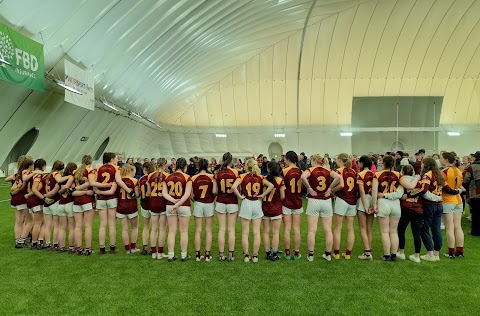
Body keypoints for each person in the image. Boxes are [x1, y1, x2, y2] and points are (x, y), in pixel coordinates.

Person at [232, 158, 274, 262]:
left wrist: (240, 196)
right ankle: (255, 256)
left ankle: (246, 255)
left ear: (247, 167)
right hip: (256, 203)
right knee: (256, 232)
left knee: (245, 233)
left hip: (246, 202)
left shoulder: (242, 176)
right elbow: (271, 186)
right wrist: (263, 195)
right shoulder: (260, 177)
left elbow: (233, 187)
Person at [301, 154, 341, 262]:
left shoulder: (311, 169)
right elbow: (338, 177)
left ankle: (310, 255)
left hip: (314, 200)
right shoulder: (328, 170)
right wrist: (330, 188)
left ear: (314, 160)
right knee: (328, 230)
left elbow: (302, 177)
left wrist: (309, 188)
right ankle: (328, 254)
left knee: (312, 230)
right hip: (326, 201)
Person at [96, 152, 133, 254]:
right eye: (116, 158)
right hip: (112, 197)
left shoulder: (99, 168)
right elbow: (119, 181)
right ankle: (112, 247)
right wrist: (129, 191)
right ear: (112, 158)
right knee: (112, 224)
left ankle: (102, 248)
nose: (117, 160)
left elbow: (95, 182)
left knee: (102, 224)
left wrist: (99, 190)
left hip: (101, 198)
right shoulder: (116, 168)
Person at [71, 155, 107, 256]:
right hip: (87, 199)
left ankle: (79, 248)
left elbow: (72, 189)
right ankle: (88, 248)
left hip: (77, 200)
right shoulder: (90, 171)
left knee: (78, 226)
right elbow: (92, 183)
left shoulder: (75, 172)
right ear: (90, 162)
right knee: (87, 226)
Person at [372, 155, 403, 261]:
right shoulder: (399, 174)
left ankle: (386, 254)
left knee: (385, 231)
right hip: (395, 202)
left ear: (383, 163)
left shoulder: (378, 174)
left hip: (383, 202)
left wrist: (374, 204)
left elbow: (375, 191)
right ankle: (394, 254)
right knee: (394, 231)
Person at [162, 158, 193, 262]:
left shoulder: (168, 177)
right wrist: (178, 203)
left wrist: (174, 201)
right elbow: (187, 194)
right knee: (184, 231)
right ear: (185, 166)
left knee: (171, 231)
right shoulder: (187, 177)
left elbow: (164, 193)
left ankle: (171, 255)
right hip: (183, 205)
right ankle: (183, 255)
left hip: (170, 205)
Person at [105, 164, 139, 254]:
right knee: (135, 227)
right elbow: (137, 194)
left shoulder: (118, 181)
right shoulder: (134, 181)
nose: (134, 174)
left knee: (124, 229)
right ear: (130, 171)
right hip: (131, 206)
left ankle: (127, 249)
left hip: (121, 206)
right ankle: (133, 247)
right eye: (133, 172)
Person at [331, 153, 357, 260]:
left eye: (337, 159)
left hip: (342, 199)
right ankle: (348, 254)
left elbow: (341, 185)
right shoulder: (354, 172)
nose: (336, 161)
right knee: (350, 229)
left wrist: (332, 190)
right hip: (352, 201)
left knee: (338, 228)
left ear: (341, 160)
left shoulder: (339, 171)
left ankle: (336, 252)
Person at [215, 152, 240, 261]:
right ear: (231, 161)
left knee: (221, 229)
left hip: (220, 202)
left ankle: (221, 254)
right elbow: (237, 189)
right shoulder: (235, 172)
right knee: (231, 230)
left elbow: (215, 191)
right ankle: (231, 254)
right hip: (232, 203)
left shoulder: (217, 173)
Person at [418, 157, 445, 261]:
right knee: (436, 229)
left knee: (424, 228)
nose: (421, 165)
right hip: (439, 205)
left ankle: (430, 253)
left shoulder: (427, 174)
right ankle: (436, 253)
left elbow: (423, 190)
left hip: (430, 205)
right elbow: (445, 187)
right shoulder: (439, 174)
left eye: (422, 163)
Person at [191, 158, 217, 261]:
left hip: (198, 203)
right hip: (209, 203)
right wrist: (213, 198)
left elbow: (191, 195)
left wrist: (195, 201)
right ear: (207, 166)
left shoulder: (193, 178)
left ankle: (197, 255)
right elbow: (215, 191)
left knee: (198, 230)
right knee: (208, 230)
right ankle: (207, 254)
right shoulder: (212, 177)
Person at [440, 152, 464, 258]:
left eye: (441, 158)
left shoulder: (444, 171)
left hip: (447, 200)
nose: (440, 160)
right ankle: (460, 251)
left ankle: (451, 252)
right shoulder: (459, 170)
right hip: (458, 200)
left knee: (449, 227)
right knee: (458, 226)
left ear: (446, 160)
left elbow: (445, 187)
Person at [10, 157, 37, 248]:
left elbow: (12, 188)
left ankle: (18, 240)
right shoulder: (26, 172)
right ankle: (21, 241)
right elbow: (25, 178)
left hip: (15, 199)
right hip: (23, 199)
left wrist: (16, 188)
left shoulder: (19, 173)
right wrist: (34, 172)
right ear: (30, 166)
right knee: (30, 221)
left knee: (19, 221)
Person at [43, 161, 70, 250]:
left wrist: (44, 196)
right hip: (54, 201)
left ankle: (47, 243)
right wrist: (70, 176)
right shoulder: (56, 174)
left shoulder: (48, 175)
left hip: (46, 203)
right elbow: (56, 186)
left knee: (48, 225)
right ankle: (55, 244)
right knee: (57, 225)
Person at [27, 159, 54, 249]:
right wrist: (43, 197)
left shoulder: (31, 173)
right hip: (36, 200)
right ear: (43, 166)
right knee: (38, 223)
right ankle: (35, 243)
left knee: (42, 222)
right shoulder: (38, 175)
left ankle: (39, 241)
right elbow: (35, 189)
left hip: (32, 200)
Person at [282, 151, 303, 260]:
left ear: (289, 159)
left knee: (287, 228)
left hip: (287, 202)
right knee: (296, 229)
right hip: (298, 202)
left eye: (285, 158)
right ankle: (296, 252)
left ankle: (287, 253)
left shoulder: (285, 171)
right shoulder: (301, 171)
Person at [262, 162, 285, 261]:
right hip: (276, 208)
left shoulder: (263, 179)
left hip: (265, 208)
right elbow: (283, 196)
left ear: (268, 169)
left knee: (266, 232)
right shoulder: (280, 180)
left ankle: (268, 252)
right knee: (276, 232)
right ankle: (274, 253)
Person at [147, 158, 169, 259]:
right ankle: (160, 253)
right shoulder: (167, 176)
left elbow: (148, 192)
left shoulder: (150, 175)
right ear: (165, 165)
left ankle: (153, 252)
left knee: (153, 229)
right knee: (162, 229)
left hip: (153, 203)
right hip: (163, 203)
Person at [356, 155, 375, 260]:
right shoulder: (374, 174)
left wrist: (364, 205)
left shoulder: (360, 175)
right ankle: (369, 250)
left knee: (363, 228)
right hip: (372, 198)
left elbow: (362, 192)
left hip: (364, 199)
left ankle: (367, 253)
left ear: (362, 163)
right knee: (369, 228)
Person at [56, 162, 76, 252]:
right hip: (69, 204)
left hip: (61, 204)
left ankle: (61, 246)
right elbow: (68, 188)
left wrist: (60, 192)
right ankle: (71, 247)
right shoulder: (72, 178)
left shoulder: (62, 177)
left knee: (62, 227)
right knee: (72, 227)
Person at [139, 162, 155, 255]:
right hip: (153, 203)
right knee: (154, 228)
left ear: (145, 169)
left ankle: (145, 247)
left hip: (144, 203)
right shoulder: (153, 178)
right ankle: (153, 248)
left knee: (146, 227)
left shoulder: (141, 179)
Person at [463, 151, 480, 236]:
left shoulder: (471, 167)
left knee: (476, 213)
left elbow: (466, 180)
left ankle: (475, 231)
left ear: (475, 157)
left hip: (475, 193)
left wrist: (465, 187)